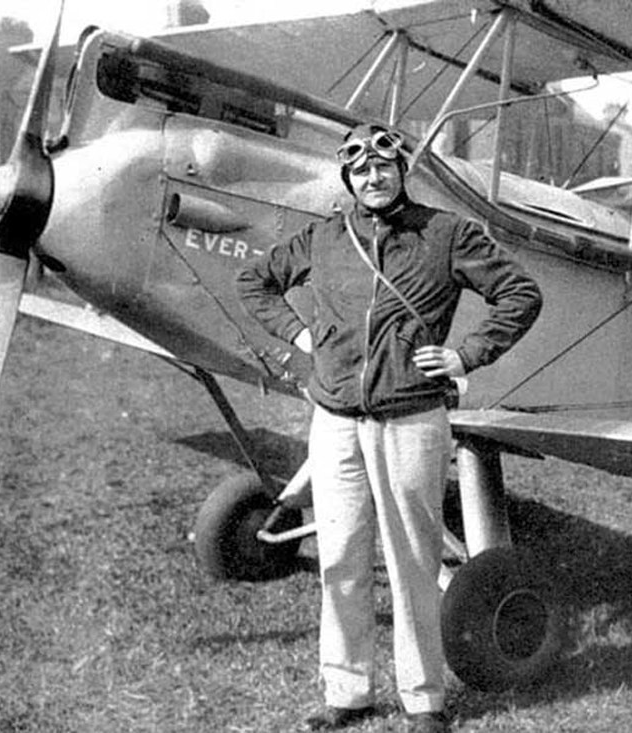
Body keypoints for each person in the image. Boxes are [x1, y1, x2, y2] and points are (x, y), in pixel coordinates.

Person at [236, 123, 542, 732]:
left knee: (412, 562)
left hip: (411, 418)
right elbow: (255, 281)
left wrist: (466, 355)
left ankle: (424, 699)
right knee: (341, 556)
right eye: (360, 171)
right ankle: (347, 692)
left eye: (384, 167)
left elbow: (520, 293)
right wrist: (303, 337)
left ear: (402, 171)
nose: (373, 178)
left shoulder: (445, 233)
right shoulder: (325, 237)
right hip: (335, 421)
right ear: (347, 178)